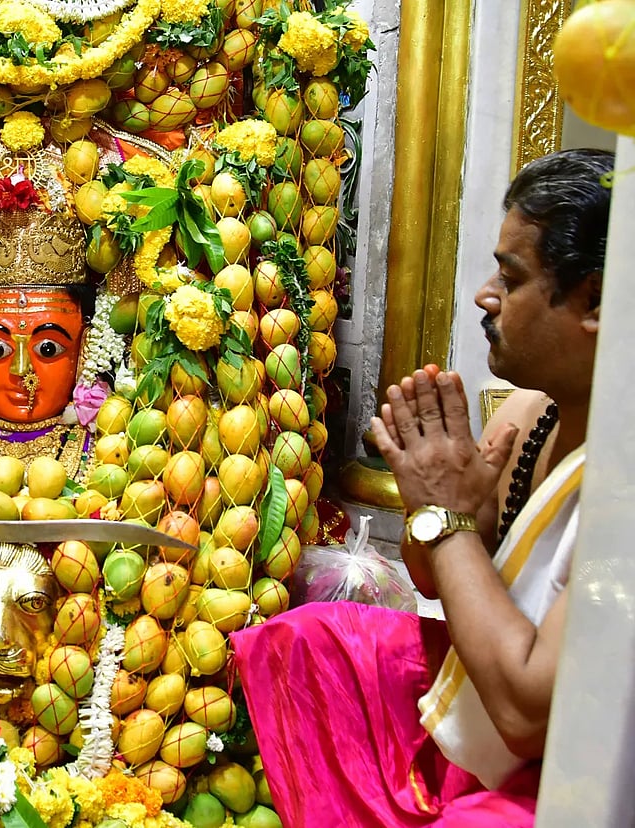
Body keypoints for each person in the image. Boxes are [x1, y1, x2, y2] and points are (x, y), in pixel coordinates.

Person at [231, 147, 614, 826]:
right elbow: (436, 578)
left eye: (512, 277)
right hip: (499, 703)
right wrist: (448, 518)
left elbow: (528, 716)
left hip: (575, 770)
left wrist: (448, 513)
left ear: (595, 301)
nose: (485, 297)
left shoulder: (624, 485)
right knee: (313, 643)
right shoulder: (529, 418)